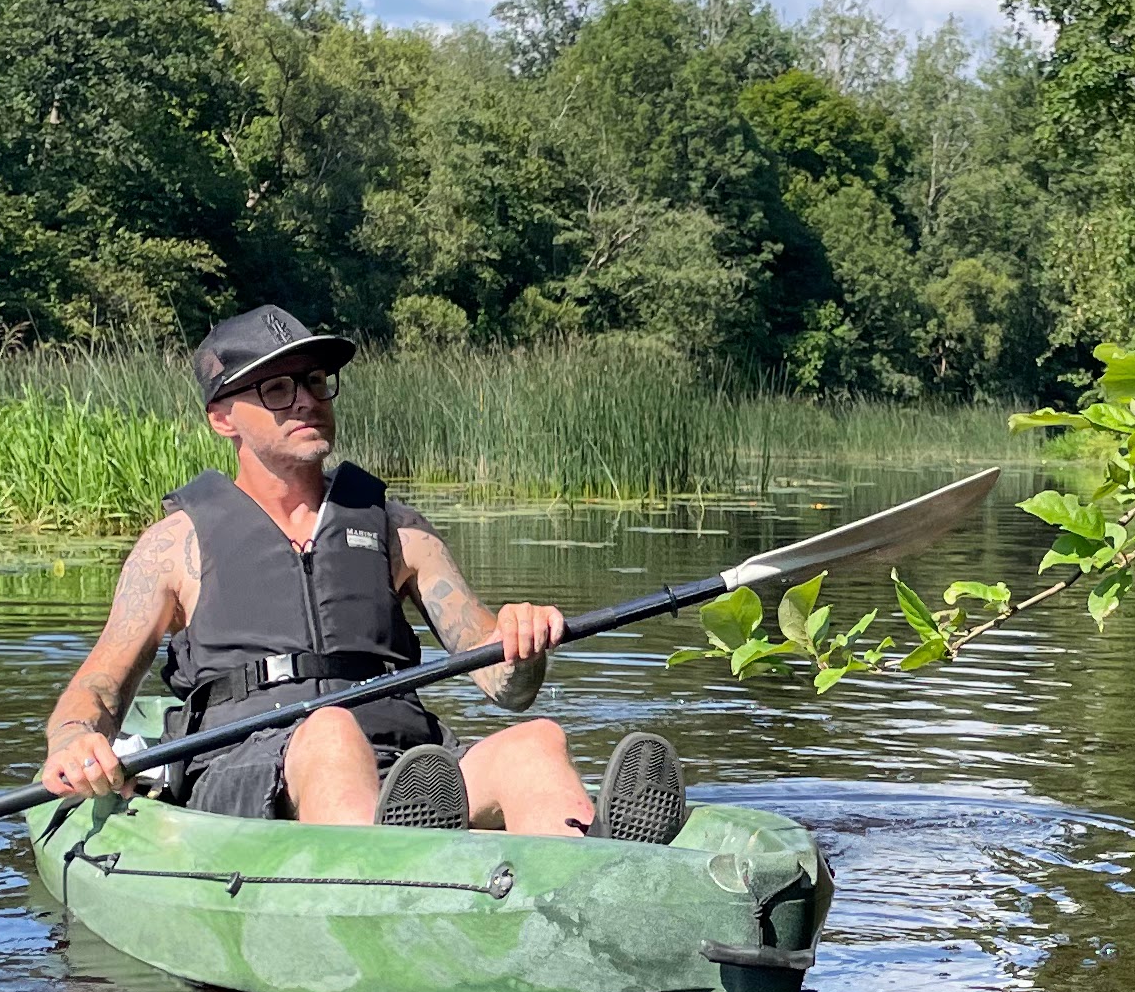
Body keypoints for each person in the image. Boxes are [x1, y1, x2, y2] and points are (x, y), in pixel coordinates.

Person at [34, 306, 687, 839]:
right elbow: (99, 687)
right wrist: (74, 743)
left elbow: (504, 685)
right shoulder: (173, 546)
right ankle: (392, 871)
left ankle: (598, 871)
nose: (308, 402)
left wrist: (522, 639)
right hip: (250, 767)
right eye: (278, 389)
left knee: (535, 744)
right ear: (222, 417)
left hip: (408, 769)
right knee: (330, 732)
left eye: (317, 382)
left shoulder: (397, 530)